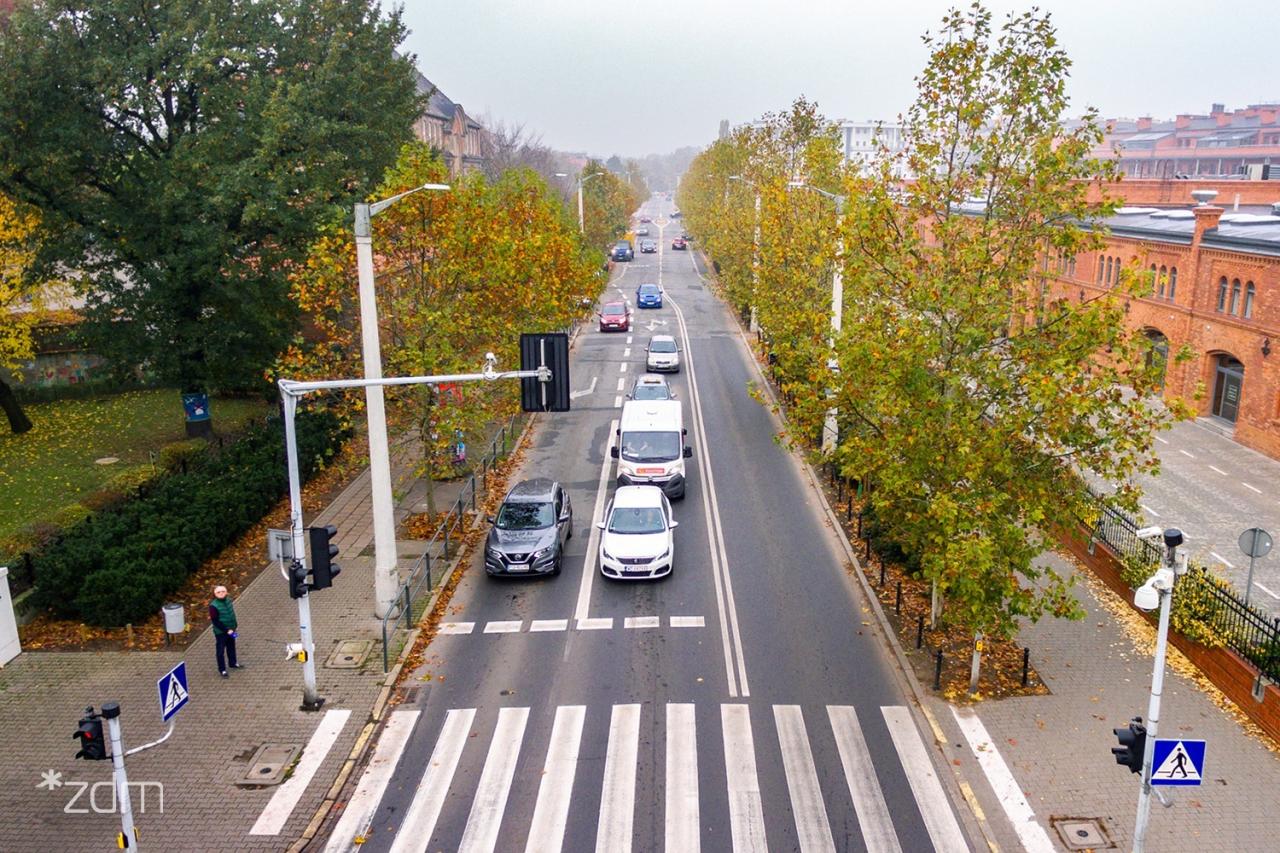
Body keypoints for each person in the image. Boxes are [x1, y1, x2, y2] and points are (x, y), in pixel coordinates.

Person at [209, 585, 243, 677]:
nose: (221, 593)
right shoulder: (213, 606)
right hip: (221, 632)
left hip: (232, 630)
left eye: (223, 591)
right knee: (220, 651)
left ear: (226, 592)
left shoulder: (228, 600)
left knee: (231, 647)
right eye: (218, 592)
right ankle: (222, 669)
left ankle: (233, 663)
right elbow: (215, 621)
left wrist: (234, 627)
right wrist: (226, 630)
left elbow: (231, 614)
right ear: (215, 594)